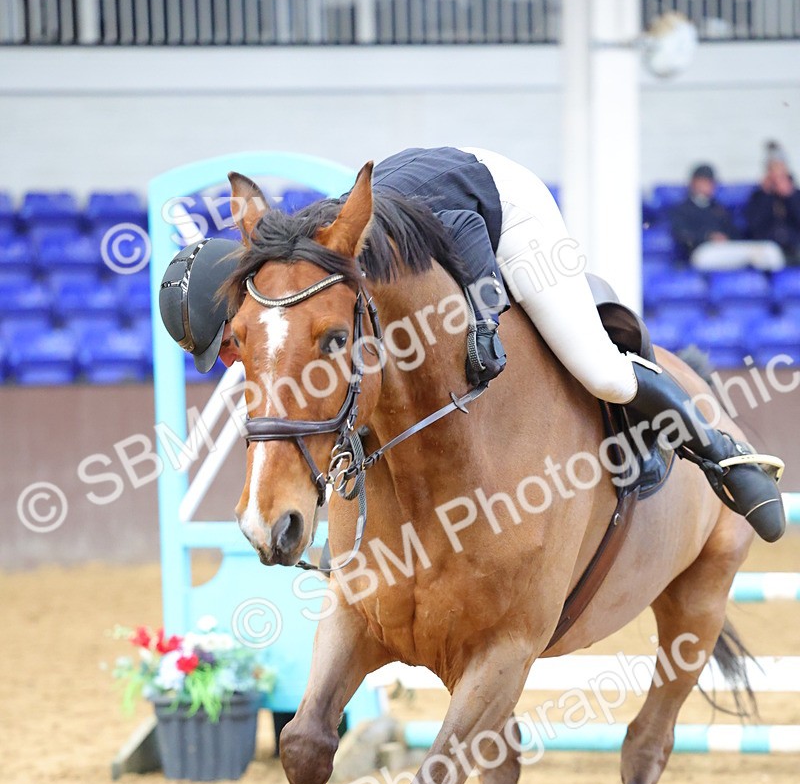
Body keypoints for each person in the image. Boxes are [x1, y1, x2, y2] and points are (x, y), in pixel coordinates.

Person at [159, 146, 785, 542]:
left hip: (499, 208)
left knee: (600, 372)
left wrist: (484, 318)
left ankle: (722, 454)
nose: (230, 363)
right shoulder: (308, 272)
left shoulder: (349, 243)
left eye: (227, 345)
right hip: (437, 203)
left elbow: (461, 225)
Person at [669, 163, 785, 271]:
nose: (706, 186)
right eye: (702, 182)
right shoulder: (683, 209)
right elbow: (682, 235)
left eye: (709, 182)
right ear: (693, 183)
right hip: (703, 251)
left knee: (770, 250)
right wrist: (708, 237)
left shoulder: (719, 209)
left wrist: (725, 238)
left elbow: (735, 234)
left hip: (727, 249)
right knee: (707, 257)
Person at [745, 151, 800, 266]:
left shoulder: (795, 195)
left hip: (795, 244)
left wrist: (789, 196)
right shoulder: (758, 197)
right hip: (768, 246)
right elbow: (755, 227)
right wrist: (767, 195)